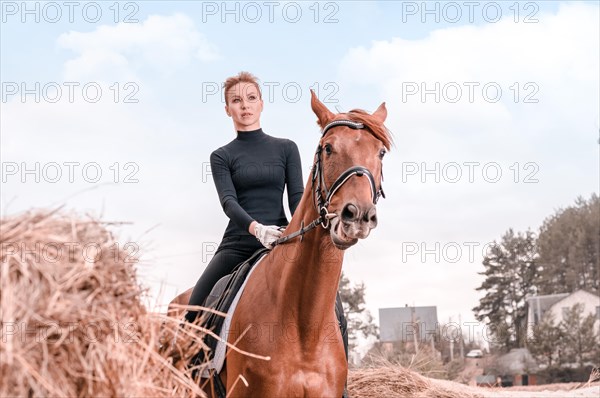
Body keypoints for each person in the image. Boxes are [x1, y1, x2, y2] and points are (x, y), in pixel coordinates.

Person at [184, 71, 304, 323]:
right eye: (236, 101)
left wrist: (300, 230)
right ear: (228, 109)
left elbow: (297, 198)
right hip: (238, 243)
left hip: (281, 239)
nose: (245, 105)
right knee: (194, 310)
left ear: (261, 104)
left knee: (331, 302)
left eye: (251, 98)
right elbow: (229, 203)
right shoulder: (221, 155)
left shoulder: (287, 148)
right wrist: (257, 230)